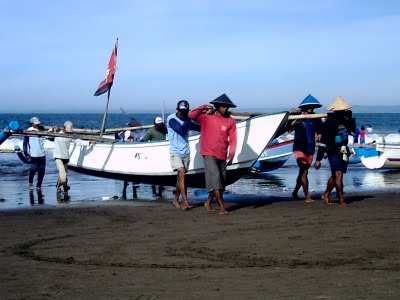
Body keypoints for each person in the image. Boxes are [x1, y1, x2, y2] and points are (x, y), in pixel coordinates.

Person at [189, 94, 237, 215]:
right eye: (223, 106)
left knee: (221, 181)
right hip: (209, 152)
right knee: (215, 178)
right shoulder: (206, 117)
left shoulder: (230, 121)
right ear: (217, 106)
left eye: (227, 107)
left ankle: (208, 202)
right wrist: (204, 106)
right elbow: (191, 115)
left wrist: (232, 154)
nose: (226, 108)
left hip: (222, 154)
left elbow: (233, 139)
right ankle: (221, 207)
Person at [314, 96, 353, 208]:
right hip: (332, 150)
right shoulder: (329, 122)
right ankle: (341, 199)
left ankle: (326, 194)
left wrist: (350, 119)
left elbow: (351, 132)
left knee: (336, 175)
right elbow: (323, 141)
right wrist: (318, 159)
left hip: (344, 150)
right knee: (338, 174)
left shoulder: (346, 120)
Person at [288, 94, 323, 203]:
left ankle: (295, 192)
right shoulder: (297, 117)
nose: (311, 108)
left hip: (310, 148)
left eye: (312, 106)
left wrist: (321, 154)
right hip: (299, 147)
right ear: (303, 107)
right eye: (309, 106)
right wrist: (292, 117)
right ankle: (307, 196)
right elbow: (288, 130)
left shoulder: (316, 119)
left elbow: (320, 135)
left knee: (303, 171)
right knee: (304, 171)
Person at [167, 100, 198, 210]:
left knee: (180, 178)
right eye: (181, 111)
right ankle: (185, 201)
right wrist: (188, 119)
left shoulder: (188, 121)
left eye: (185, 111)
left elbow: (199, 127)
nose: (183, 113)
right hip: (175, 151)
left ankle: (175, 200)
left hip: (186, 151)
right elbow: (180, 130)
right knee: (182, 173)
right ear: (177, 110)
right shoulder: (171, 119)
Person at [141, 117, 168, 197]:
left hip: (163, 152)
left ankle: (160, 189)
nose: (160, 126)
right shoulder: (151, 131)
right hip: (155, 153)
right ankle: (154, 190)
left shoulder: (164, 129)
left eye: (161, 125)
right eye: (159, 125)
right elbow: (143, 141)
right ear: (155, 125)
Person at [23, 117, 46, 190]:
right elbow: (25, 143)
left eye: (37, 124)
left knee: (42, 171)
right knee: (33, 169)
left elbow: (48, 136)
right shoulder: (28, 131)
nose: (37, 125)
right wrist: (26, 153)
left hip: (42, 154)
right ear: (31, 124)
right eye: (35, 124)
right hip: (34, 154)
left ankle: (39, 185)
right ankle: (30, 180)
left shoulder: (42, 130)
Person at [52, 121, 73, 194]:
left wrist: (88, 142)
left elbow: (78, 141)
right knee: (62, 172)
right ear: (64, 127)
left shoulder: (70, 135)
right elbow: (47, 136)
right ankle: (65, 188)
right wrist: (52, 129)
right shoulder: (58, 134)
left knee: (63, 175)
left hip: (65, 156)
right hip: (58, 156)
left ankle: (58, 186)